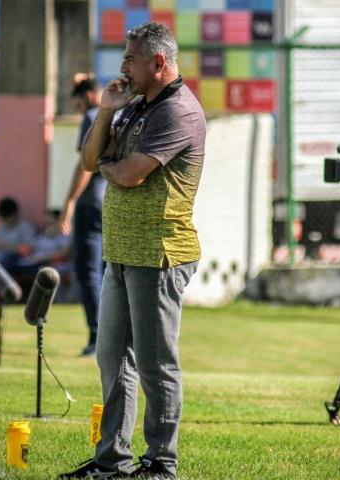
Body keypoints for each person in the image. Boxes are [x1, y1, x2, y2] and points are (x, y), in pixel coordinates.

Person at [59, 23, 206, 479]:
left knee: (156, 363)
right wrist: (105, 112)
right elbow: (89, 160)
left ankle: (161, 462)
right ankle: (112, 462)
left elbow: (129, 174)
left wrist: (107, 163)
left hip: (159, 255)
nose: (122, 67)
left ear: (158, 63)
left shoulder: (178, 111)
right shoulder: (133, 105)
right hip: (122, 252)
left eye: (129, 59)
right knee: (112, 359)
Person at [58, 76, 107, 356]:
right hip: (109, 203)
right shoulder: (115, 114)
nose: (78, 110)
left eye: (77, 104)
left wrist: (69, 202)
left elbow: (85, 164)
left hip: (90, 204)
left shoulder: (92, 116)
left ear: (88, 97)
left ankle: (96, 337)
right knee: (105, 271)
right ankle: (110, 338)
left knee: (87, 271)